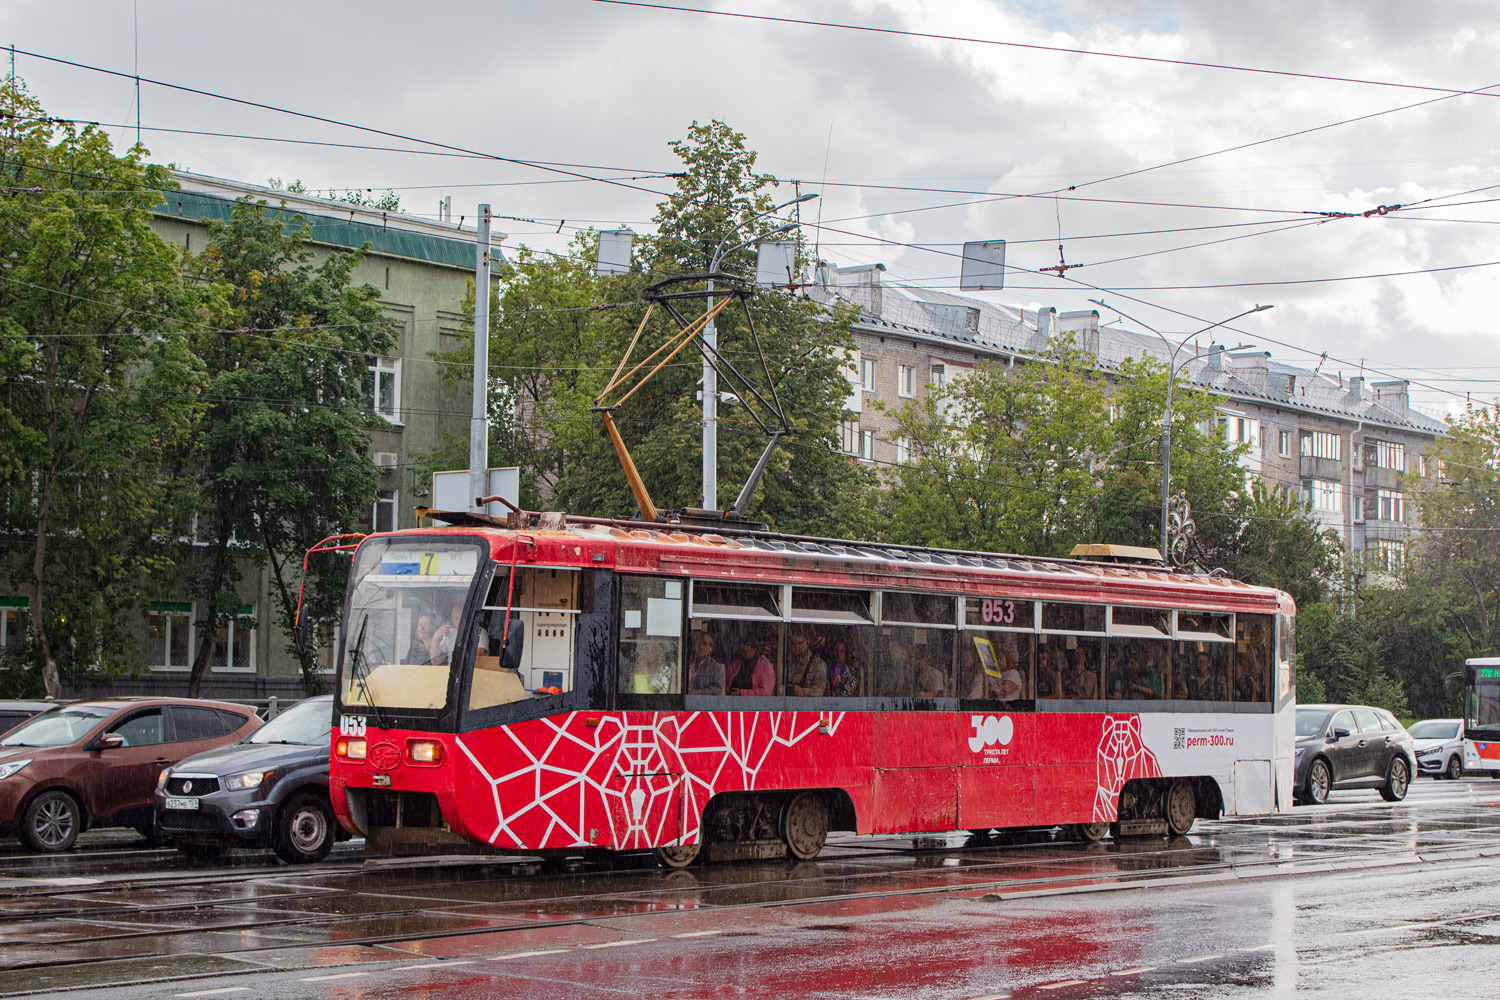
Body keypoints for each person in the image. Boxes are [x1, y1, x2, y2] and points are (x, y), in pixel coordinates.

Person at [785, 631, 827, 697]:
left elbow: (819, 690)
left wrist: (804, 692)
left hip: (809, 704)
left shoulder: (819, 664)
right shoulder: (786, 662)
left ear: (807, 643)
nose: (796, 646)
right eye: (793, 643)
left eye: (800, 643)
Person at [687, 631, 724, 695]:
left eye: (704, 644)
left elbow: (717, 689)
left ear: (710, 648)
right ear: (693, 646)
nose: (701, 647)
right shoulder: (686, 663)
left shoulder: (715, 667)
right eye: (698, 643)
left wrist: (694, 693)